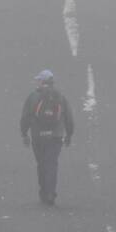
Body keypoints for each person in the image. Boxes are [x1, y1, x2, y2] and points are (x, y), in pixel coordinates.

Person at [20, 69, 74, 205]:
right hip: (55, 137)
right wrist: (69, 135)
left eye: (38, 80)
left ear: (43, 81)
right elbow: (69, 117)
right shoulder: (60, 97)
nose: (36, 82)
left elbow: (25, 117)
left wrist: (24, 134)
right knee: (52, 164)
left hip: (38, 136)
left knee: (42, 164)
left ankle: (43, 191)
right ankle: (51, 193)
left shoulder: (33, 96)